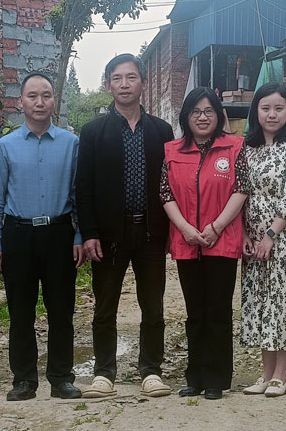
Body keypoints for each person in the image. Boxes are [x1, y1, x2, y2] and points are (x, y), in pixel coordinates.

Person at [77, 54, 173, 399]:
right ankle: (104, 373)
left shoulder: (161, 131)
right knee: (105, 307)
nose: (124, 84)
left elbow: (170, 185)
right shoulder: (93, 131)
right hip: (108, 236)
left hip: (151, 232)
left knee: (153, 306)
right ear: (108, 85)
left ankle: (151, 370)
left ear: (143, 83)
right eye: (117, 78)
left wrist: (170, 231)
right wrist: (89, 233)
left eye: (131, 77)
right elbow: (83, 187)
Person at [0, 73, 84, 401]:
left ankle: (61, 378)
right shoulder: (5, 146)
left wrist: (79, 236)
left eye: (46, 95)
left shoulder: (71, 144)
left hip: (59, 234)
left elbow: (79, 195)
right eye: (32, 96)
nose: (40, 102)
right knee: (21, 312)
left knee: (61, 311)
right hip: (18, 235)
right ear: (20, 102)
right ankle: (24, 380)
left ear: (54, 100)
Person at [160, 87, 248, 400]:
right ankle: (195, 376)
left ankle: (217, 378)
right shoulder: (172, 150)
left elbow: (241, 188)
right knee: (195, 312)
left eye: (209, 111)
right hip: (187, 242)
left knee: (218, 310)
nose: (202, 117)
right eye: (195, 111)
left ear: (218, 115)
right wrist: (184, 228)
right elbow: (165, 193)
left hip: (221, 241)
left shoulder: (234, 146)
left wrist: (216, 227)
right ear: (186, 116)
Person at [238, 83, 286, 398]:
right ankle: (265, 373)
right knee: (261, 303)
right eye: (266, 108)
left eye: (279, 108)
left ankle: (282, 374)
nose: (272, 114)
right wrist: (244, 234)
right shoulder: (247, 149)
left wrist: (270, 235)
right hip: (253, 240)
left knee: (283, 302)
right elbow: (239, 194)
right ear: (256, 111)